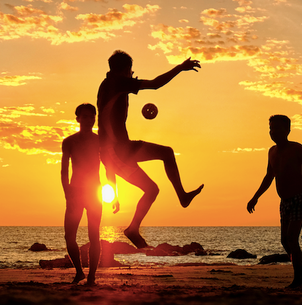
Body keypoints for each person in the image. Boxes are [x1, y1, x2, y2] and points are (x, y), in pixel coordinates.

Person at [97, 50, 204, 249]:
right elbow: (155, 84)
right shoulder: (119, 83)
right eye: (131, 71)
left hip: (120, 149)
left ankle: (133, 229)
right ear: (126, 70)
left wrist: (114, 190)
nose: (133, 74)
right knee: (165, 158)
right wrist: (180, 68)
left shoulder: (108, 84)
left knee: (155, 181)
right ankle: (179, 198)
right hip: (117, 151)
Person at [247, 115, 302, 288]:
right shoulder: (272, 151)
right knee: (285, 241)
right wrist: (255, 197)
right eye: (271, 128)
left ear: (287, 130)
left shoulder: (296, 148)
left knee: (292, 238)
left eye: (278, 128)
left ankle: (298, 279)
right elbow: (269, 176)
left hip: (300, 198)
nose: (274, 132)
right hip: (284, 201)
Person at [61, 103, 117, 286]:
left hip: (94, 192)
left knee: (94, 235)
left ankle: (91, 276)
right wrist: (67, 192)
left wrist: (114, 193)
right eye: (84, 116)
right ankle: (79, 272)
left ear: (94, 119)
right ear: (77, 119)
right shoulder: (69, 142)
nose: (87, 120)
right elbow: (64, 170)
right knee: (69, 236)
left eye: (91, 116)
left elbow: (109, 167)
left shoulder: (100, 140)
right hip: (75, 192)